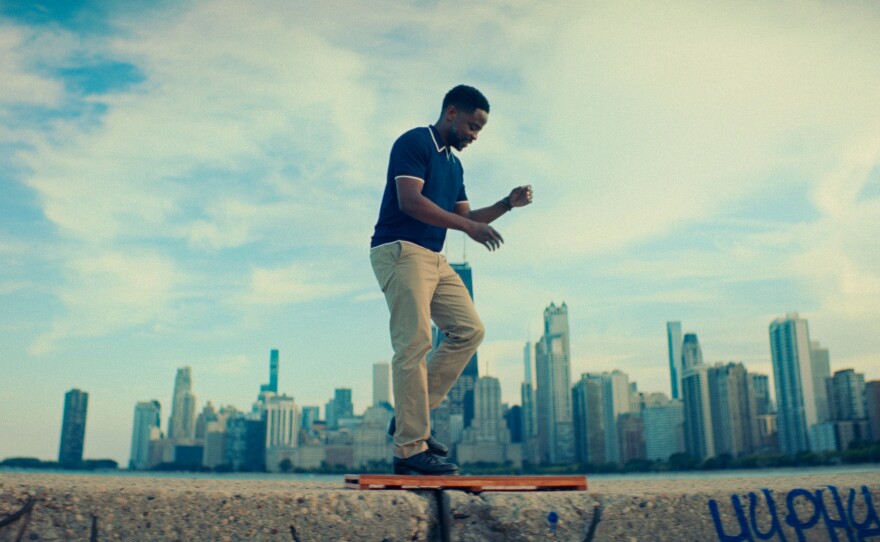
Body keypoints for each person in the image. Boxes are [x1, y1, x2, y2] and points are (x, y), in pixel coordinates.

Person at [370, 85, 533, 475]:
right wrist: (464, 226)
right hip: (400, 250)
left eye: (479, 130)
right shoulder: (415, 142)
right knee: (414, 343)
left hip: (432, 257)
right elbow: (410, 201)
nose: (475, 136)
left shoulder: (454, 167)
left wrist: (507, 205)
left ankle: (414, 413)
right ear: (452, 113)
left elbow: (470, 218)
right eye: (473, 126)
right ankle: (409, 449)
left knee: (469, 330)